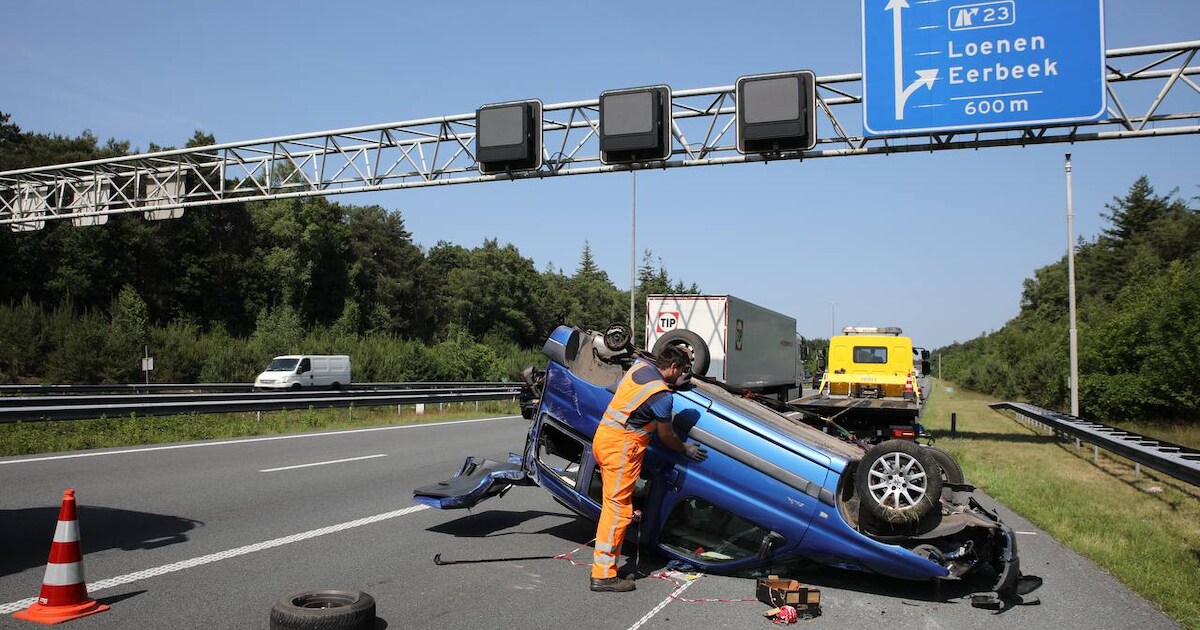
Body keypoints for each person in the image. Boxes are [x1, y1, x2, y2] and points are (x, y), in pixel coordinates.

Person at [590, 346, 708, 593]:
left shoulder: (640, 367)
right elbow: (667, 437)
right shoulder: (662, 396)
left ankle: (605, 567)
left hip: (604, 438)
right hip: (622, 449)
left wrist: (674, 381)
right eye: (684, 370)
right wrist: (685, 449)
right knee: (618, 511)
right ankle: (603, 575)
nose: (684, 375)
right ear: (674, 367)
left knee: (613, 504)